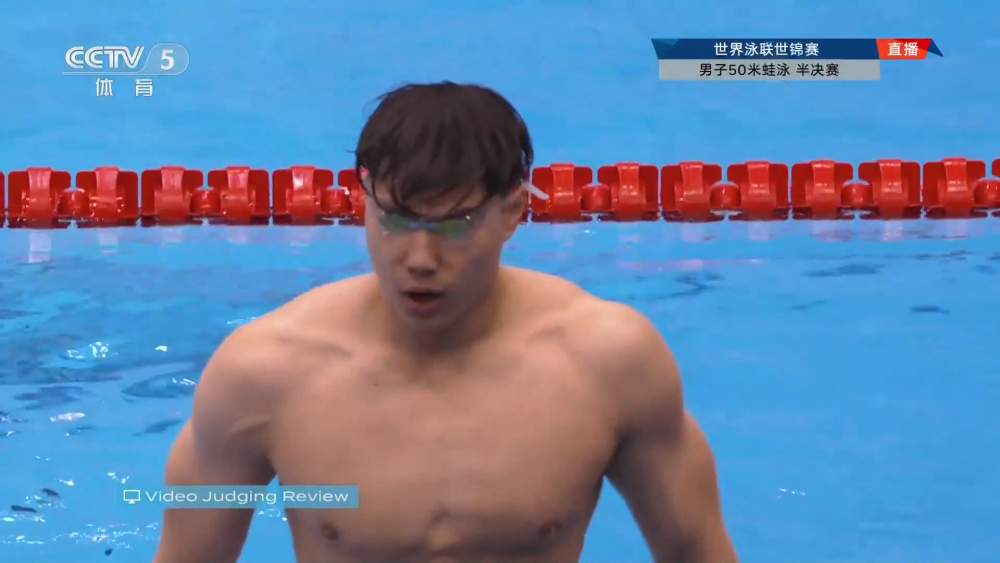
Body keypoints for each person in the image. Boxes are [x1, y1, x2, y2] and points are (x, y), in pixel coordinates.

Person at [153, 81, 738, 563]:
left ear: (513, 212)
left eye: (454, 226)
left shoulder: (609, 362)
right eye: (395, 220)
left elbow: (695, 550)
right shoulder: (263, 373)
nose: (420, 259)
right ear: (363, 201)